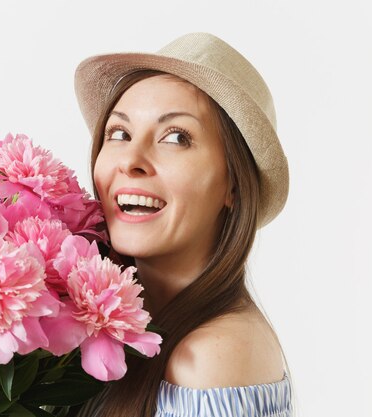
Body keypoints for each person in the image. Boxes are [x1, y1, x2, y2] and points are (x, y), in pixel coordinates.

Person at [73, 33, 293, 417]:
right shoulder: (125, 325)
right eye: (120, 133)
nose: (131, 160)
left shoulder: (211, 357)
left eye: (176, 137)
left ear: (234, 186)